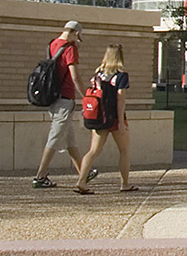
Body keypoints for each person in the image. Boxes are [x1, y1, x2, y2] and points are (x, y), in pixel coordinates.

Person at [32, 20, 92, 189]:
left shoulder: (52, 45)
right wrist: (85, 96)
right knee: (55, 137)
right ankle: (40, 176)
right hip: (65, 98)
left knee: (69, 139)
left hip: (53, 97)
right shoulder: (69, 49)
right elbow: (74, 76)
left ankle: (83, 173)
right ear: (76, 33)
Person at [75, 44, 136, 194]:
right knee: (124, 150)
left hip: (99, 116)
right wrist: (121, 122)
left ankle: (81, 180)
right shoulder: (121, 75)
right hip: (115, 117)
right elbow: (120, 99)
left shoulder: (98, 74)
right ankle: (125, 183)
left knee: (93, 150)